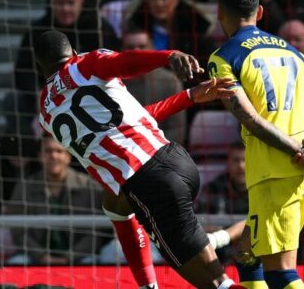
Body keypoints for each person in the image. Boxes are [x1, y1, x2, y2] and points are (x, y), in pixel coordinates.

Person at [33, 29, 239, 289]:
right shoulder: (87, 63)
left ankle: (151, 282)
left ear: (40, 69)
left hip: (151, 186)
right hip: (177, 160)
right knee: (113, 202)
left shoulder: (46, 115)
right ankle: (148, 285)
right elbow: (126, 66)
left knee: (219, 285)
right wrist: (175, 70)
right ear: (73, 53)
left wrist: (170, 60)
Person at [209, 0, 304, 289]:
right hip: (303, 168)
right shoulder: (294, 52)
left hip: (277, 172)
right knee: (247, 252)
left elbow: (250, 118)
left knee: (281, 271)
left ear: (220, 12)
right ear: (259, 12)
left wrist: (303, 151)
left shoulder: (223, 57)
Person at [2, 136, 106, 263]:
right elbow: (18, 232)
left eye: (59, 151)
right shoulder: (24, 188)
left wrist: (69, 258)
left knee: (92, 261)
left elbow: (96, 233)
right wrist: (41, 256)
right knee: (17, 262)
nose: (53, 156)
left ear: (68, 156)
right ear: (40, 156)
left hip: (80, 257)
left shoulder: (89, 186)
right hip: (35, 258)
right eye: (48, 151)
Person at [198, 143, 250, 215]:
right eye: (236, 160)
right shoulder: (212, 189)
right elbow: (201, 220)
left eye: (245, 160)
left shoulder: (262, 190)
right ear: (228, 162)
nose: (241, 166)